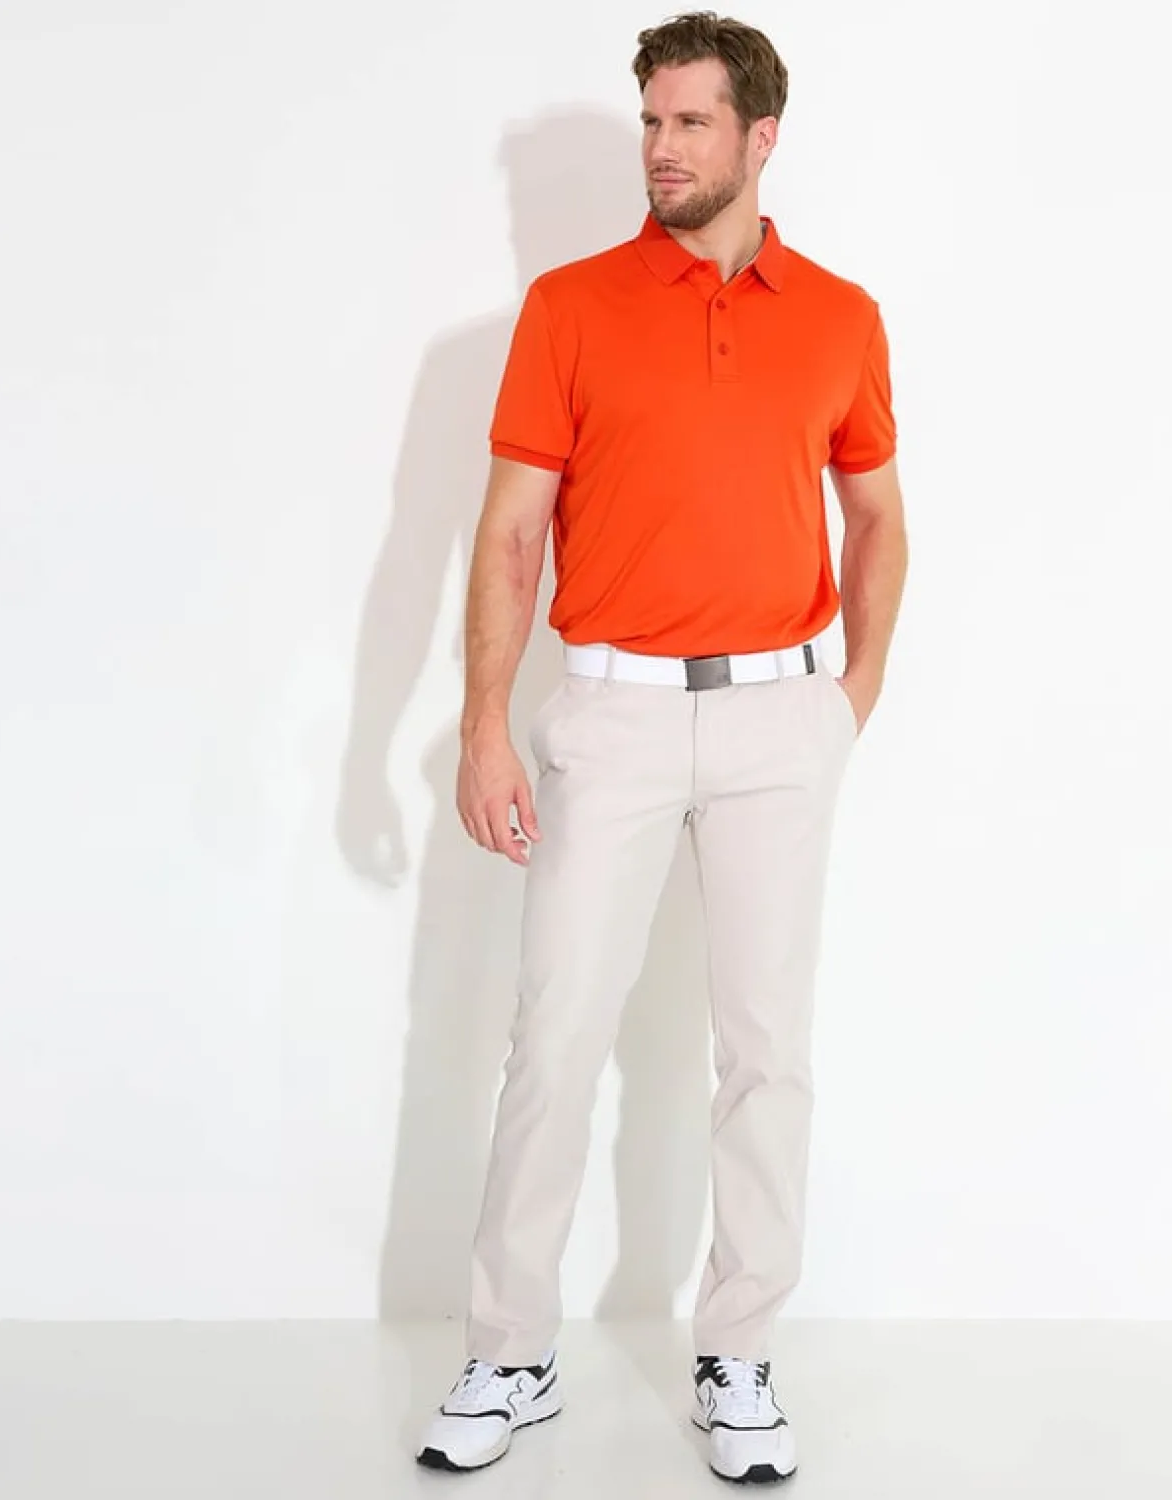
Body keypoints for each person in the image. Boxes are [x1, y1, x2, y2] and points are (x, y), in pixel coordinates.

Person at [415, 10, 908, 1486]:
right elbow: (509, 533)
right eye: (650, 121)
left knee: (766, 1051)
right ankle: (510, 1352)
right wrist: (484, 724)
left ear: (762, 137)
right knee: (555, 1036)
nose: (663, 148)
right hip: (612, 715)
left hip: (780, 719)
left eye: (691, 123)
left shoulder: (841, 316)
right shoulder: (569, 307)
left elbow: (878, 516)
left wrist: (849, 698)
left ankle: (737, 1353)